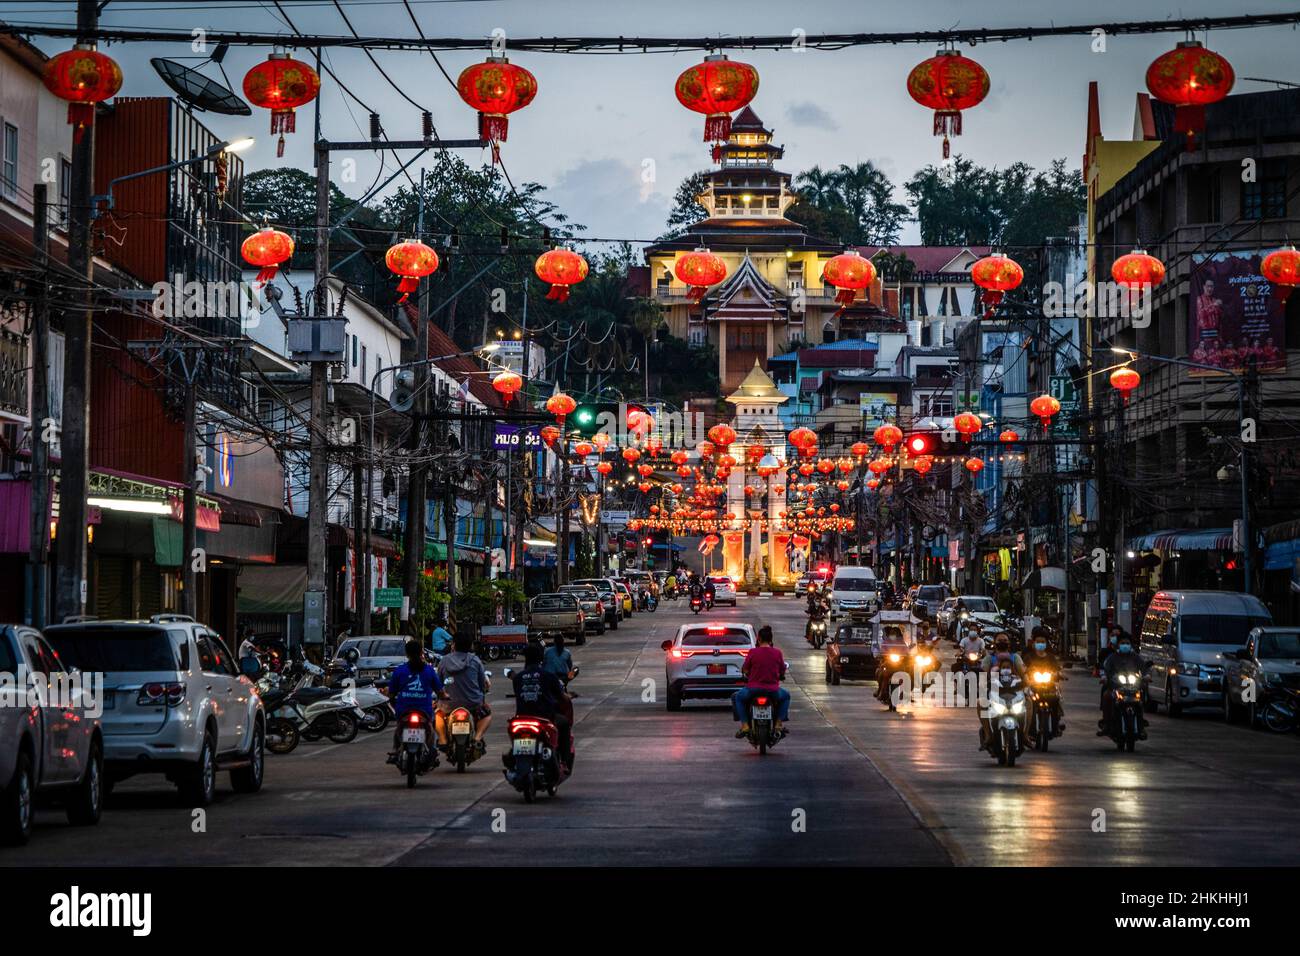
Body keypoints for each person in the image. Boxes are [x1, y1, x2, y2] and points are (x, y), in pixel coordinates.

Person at [511, 643, 573, 769]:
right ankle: (565, 761)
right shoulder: (549, 676)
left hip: (521, 718)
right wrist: (570, 696)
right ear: (541, 658)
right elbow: (562, 697)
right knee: (565, 724)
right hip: (544, 718)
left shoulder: (518, 678)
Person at [386, 639, 446, 756]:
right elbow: (440, 691)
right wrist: (444, 696)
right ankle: (431, 749)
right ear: (421, 653)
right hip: (424, 710)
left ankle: (395, 748)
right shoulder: (429, 670)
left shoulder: (399, 671)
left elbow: (391, 692)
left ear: (407, 654)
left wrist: (392, 699)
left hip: (403, 709)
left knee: (399, 726)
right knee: (430, 726)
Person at [436, 632, 492, 753]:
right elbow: (482, 684)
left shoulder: (444, 661)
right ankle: (477, 738)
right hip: (472, 704)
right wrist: (482, 700)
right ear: (470, 646)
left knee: (437, 715)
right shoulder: (475, 661)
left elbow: (438, 683)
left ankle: (442, 740)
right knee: (487, 715)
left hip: (448, 705)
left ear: (454, 645)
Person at [733, 625, 790, 737]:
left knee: (737, 697)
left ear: (758, 639)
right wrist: (781, 675)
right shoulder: (777, 653)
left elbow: (745, 669)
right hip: (773, 690)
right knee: (786, 696)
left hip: (753, 689)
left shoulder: (753, 652)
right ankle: (778, 723)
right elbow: (782, 670)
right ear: (771, 640)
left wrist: (747, 674)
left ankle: (745, 725)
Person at [1098, 631, 1148, 739]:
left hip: (1133, 687)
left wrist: (1146, 676)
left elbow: (1143, 668)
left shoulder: (1135, 657)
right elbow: (1105, 669)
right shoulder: (1112, 658)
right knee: (1107, 696)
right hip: (1116, 686)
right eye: (1122, 643)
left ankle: (1141, 725)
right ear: (1118, 644)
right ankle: (1107, 723)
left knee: (1140, 699)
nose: (1125, 645)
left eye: (1127, 643)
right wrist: (1104, 677)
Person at [1023, 626, 1066, 732]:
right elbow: (1023, 668)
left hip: (1049, 685)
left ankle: (1057, 722)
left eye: (1043, 641)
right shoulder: (1029, 656)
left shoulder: (1051, 657)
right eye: (1038, 641)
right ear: (1034, 642)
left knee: (1057, 697)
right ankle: (1030, 730)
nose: (1040, 644)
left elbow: (1057, 668)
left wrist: (1059, 674)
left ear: (1046, 643)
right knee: (1029, 702)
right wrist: (1025, 673)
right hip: (1033, 686)